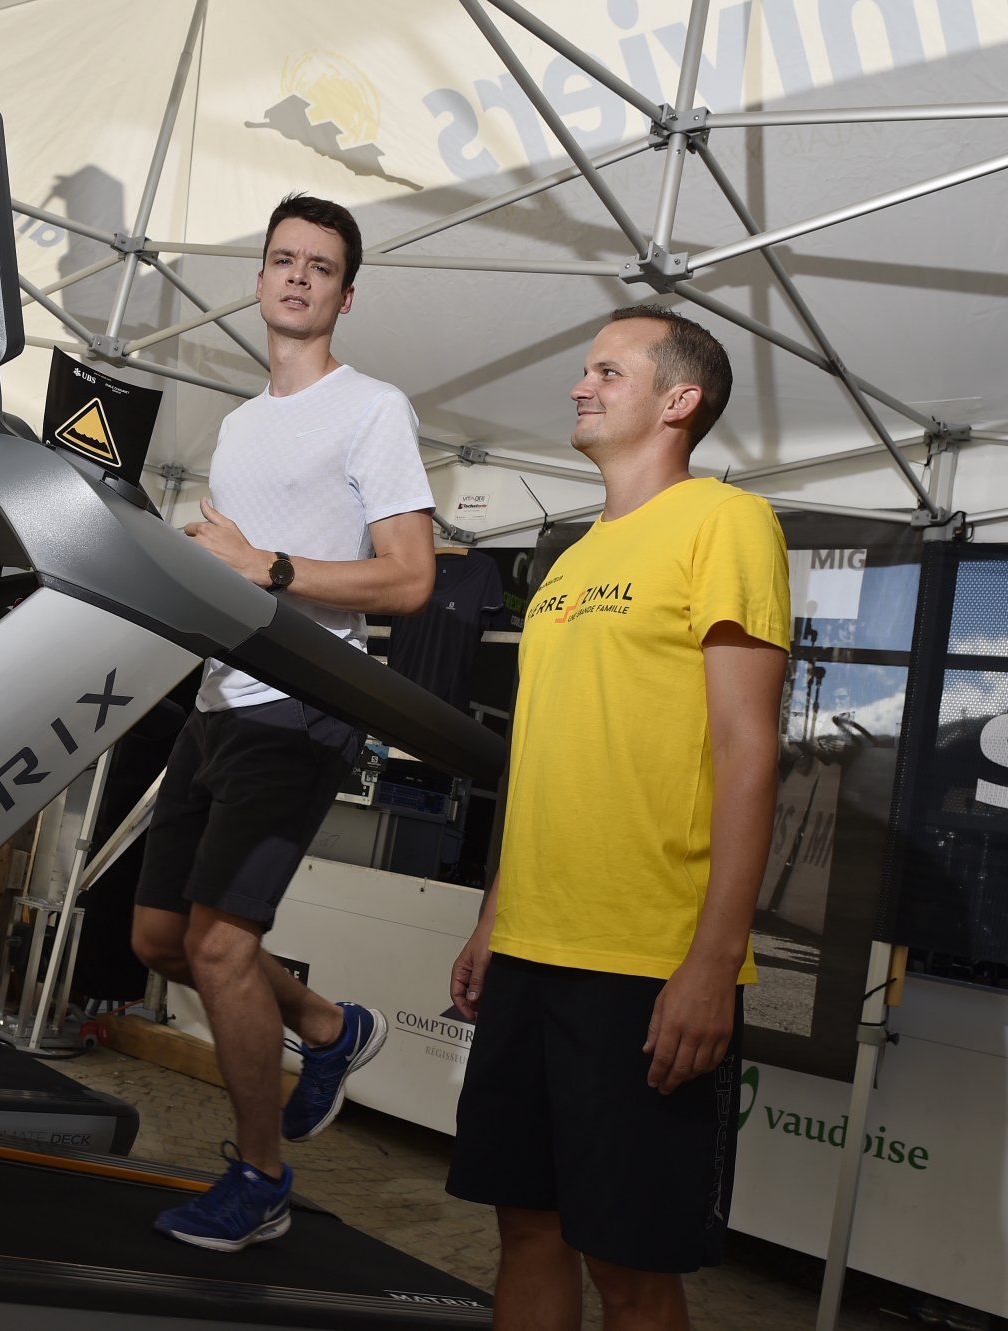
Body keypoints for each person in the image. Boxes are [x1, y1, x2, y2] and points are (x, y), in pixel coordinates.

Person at [445, 305, 789, 1330]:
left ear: (678, 399)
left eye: (607, 370)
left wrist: (708, 962)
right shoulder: (565, 560)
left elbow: (747, 749)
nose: (578, 385)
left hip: (642, 960)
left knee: (629, 1268)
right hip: (530, 945)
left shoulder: (725, 523)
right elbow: (552, 755)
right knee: (526, 1228)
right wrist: (493, 913)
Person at [131, 194, 437, 1251]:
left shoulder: (372, 409)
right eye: (280, 259)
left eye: (319, 265)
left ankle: (259, 1176)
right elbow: (232, 568)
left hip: (303, 707)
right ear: (257, 281)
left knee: (220, 945)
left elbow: (407, 579)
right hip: (215, 704)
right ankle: (327, 1023)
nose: (296, 276)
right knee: (158, 938)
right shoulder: (236, 424)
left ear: (343, 295)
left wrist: (262, 565)